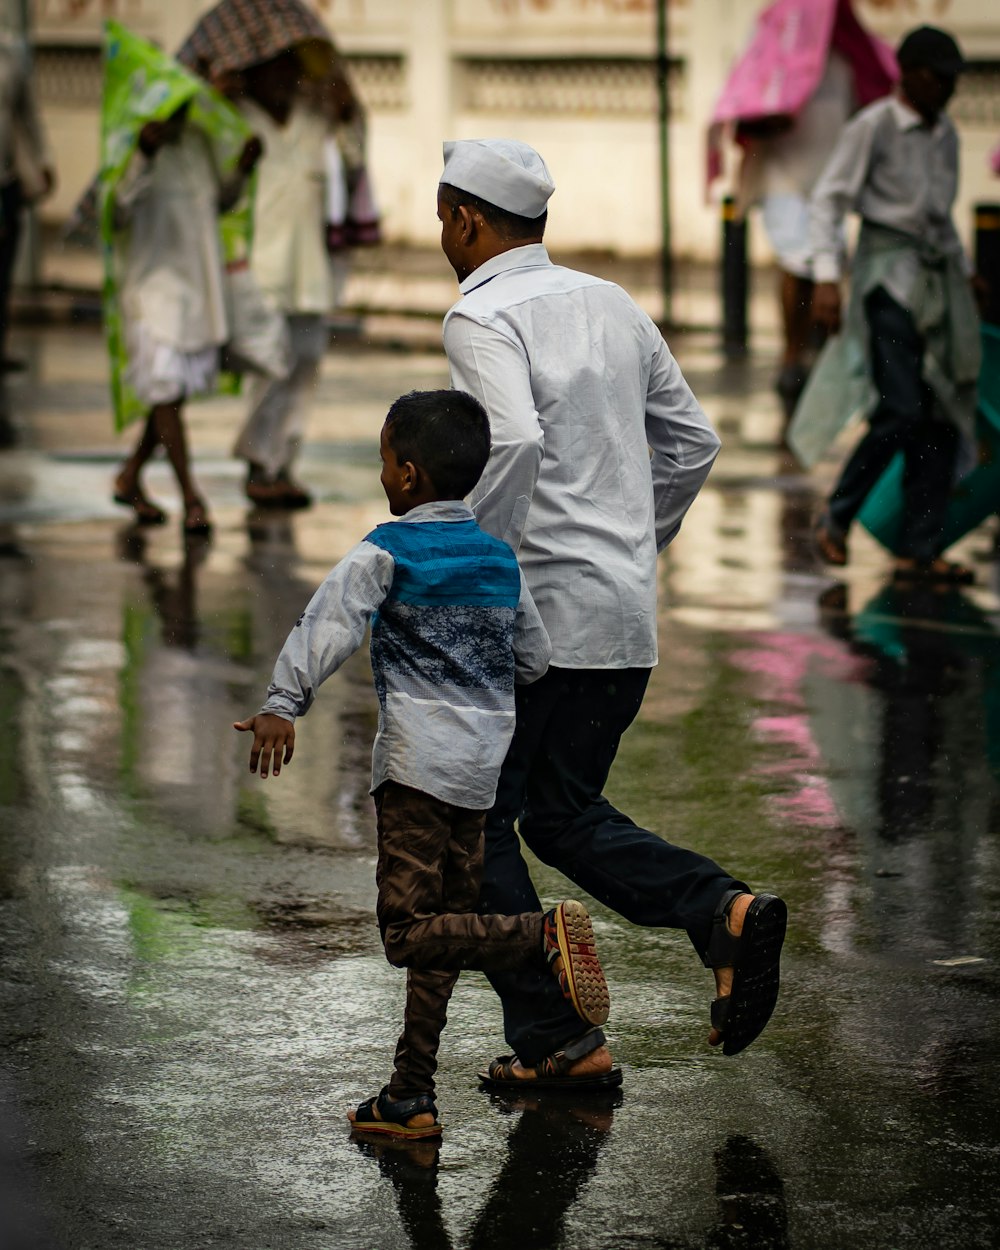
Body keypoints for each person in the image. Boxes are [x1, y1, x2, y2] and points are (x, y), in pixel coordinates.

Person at [436, 139, 788, 1088]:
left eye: (442, 219)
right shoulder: (611, 302)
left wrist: (482, 580)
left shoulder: (481, 317)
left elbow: (507, 444)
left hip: (538, 623)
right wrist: (634, 547)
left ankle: (558, 1041)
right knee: (560, 814)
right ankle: (722, 911)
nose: (442, 237)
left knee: (470, 829)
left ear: (466, 220)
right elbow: (693, 445)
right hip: (621, 618)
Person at [233, 389, 612, 1137]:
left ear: (407, 475)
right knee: (440, 938)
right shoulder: (499, 559)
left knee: (407, 933)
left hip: (414, 772)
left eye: (381, 461)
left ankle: (538, 935)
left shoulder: (388, 548)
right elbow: (534, 659)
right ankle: (410, 1094)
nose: (381, 475)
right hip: (478, 775)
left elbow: (327, 623)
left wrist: (284, 702)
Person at [805, 26, 982, 584]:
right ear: (909, 74)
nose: (948, 91)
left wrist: (967, 274)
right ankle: (835, 517)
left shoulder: (946, 133)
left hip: (935, 284)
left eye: (953, 81)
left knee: (941, 412)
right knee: (900, 408)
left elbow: (940, 216)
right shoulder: (874, 126)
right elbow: (828, 200)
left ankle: (918, 548)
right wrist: (828, 279)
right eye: (939, 79)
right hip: (888, 283)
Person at [708, 0, 896, 407]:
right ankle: (792, 351)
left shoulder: (849, 57)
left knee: (821, 261)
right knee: (796, 260)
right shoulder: (774, 45)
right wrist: (770, 118)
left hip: (831, 175)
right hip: (783, 173)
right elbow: (745, 105)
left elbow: (874, 100)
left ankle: (808, 353)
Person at [111, 101, 261, 534]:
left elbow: (221, 201)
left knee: (169, 398)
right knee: (165, 394)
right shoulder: (130, 142)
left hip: (195, 290)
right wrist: (142, 153)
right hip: (152, 290)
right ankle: (191, 496)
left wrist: (242, 169)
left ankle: (129, 475)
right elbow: (117, 210)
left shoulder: (198, 141)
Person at [228, 48, 338, 508]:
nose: (282, 77)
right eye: (273, 67)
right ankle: (259, 464)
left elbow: (352, 160)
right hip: (261, 268)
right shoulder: (237, 119)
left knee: (305, 366)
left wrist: (346, 104)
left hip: (311, 270)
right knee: (270, 368)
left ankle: (283, 464)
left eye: (289, 67)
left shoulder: (316, 117)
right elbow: (223, 192)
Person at [0, 33, 55, 372]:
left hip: (6, 181)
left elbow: (28, 112)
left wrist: (43, 159)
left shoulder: (11, 51)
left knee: (3, 268)